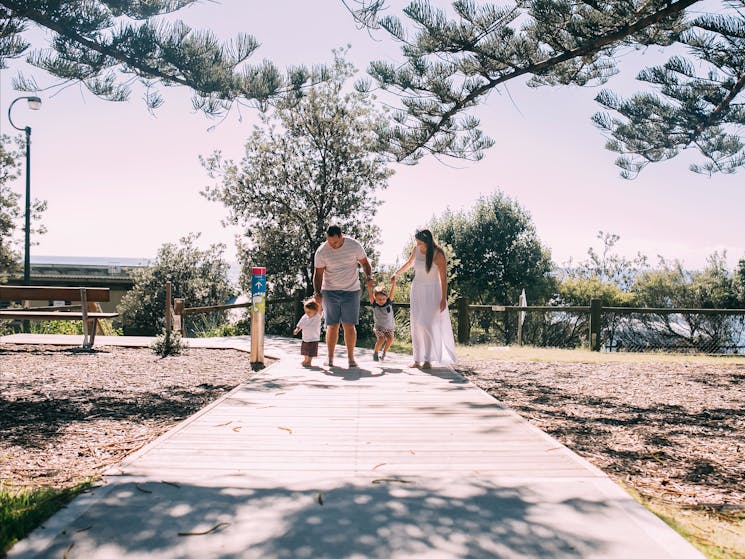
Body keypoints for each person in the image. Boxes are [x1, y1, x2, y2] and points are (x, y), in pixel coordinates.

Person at [393, 229, 456, 368]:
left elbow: (444, 278)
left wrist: (443, 299)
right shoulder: (416, 250)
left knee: (426, 324)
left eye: (420, 242)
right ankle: (417, 359)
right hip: (417, 290)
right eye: (416, 242)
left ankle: (428, 359)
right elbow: (409, 263)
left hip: (433, 291)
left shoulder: (438, 254)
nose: (417, 244)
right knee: (416, 324)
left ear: (427, 241)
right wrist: (396, 273)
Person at [313, 225, 374, 368]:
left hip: (351, 290)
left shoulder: (354, 245)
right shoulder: (322, 251)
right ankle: (330, 358)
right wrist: (317, 292)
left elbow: (365, 263)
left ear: (342, 236)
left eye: (334, 242)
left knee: (349, 324)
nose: (332, 245)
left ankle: (351, 358)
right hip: (330, 291)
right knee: (332, 325)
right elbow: (318, 274)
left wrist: (369, 276)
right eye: (329, 241)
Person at [367, 281, 396, 361]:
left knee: (390, 339)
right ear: (375, 298)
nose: (382, 301)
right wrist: (369, 287)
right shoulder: (374, 305)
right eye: (379, 299)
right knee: (381, 339)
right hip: (379, 327)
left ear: (386, 297)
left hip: (389, 327)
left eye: (383, 299)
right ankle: (375, 353)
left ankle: (384, 353)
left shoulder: (389, 303)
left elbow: (392, 292)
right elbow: (370, 295)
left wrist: (394, 283)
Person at [293, 298, 322, 367]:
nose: (307, 314)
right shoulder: (305, 317)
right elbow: (300, 324)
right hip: (305, 337)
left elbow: (320, 307)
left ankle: (309, 361)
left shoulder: (317, 316)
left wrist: (318, 299)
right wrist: (297, 329)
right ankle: (306, 359)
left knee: (311, 351)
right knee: (305, 350)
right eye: (306, 312)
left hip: (314, 338)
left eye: (309, 312)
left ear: (315, 310)